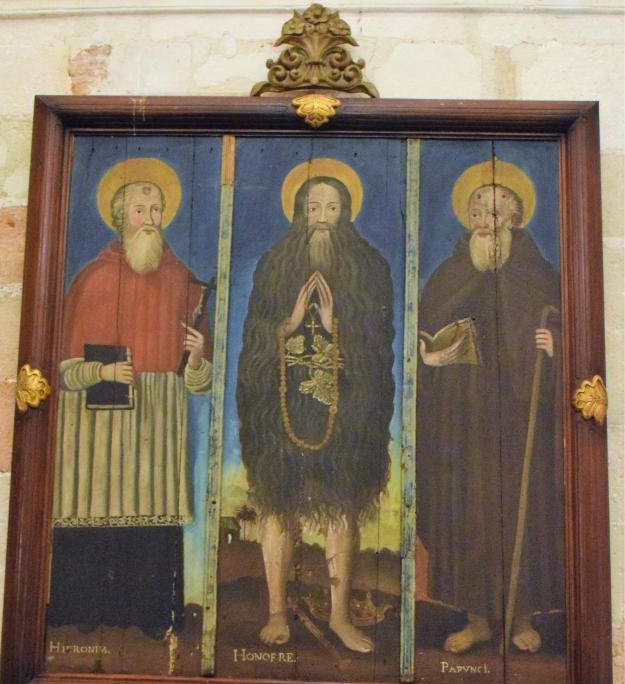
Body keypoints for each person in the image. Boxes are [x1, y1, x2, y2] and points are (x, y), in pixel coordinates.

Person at [48, 157, 213, 640]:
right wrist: (100, 371)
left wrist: (197, 356)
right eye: (140, 210)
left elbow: (199, 381)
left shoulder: (183, 280)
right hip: (96, 425)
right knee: (94, 509)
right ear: (120, 217)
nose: (150, 218)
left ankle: (150, 612)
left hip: (158, 420)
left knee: (151, 521)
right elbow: (64, 369)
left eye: (157, 209)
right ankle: (84, 609)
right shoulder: (92, 279)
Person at [236, 159, 394, 653]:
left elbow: (380, 339)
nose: (322, 217)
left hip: (345, 408)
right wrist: (287, 324)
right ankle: (276, 612)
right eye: (313, 207)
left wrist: (333, 327)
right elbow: (253, 335)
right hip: (280, 407)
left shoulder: (369, 266)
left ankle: (341, 616)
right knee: (277, 505)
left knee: (342, 508)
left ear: (347, 212)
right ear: (299, 212)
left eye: (332, 207)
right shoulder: (273, 264)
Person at [416, 158, 564, 655]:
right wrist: (431, 355)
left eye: (495, 212)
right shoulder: (450, 273)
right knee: (470, 510)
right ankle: (476, 619)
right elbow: (425, 335)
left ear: (516, 218)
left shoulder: (538, 273)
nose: (485, 221)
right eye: (477, 211)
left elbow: (567, 324)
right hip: (464, 414)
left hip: (522, 414)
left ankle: (521, 616)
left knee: (524, 506)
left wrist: (555, 345)